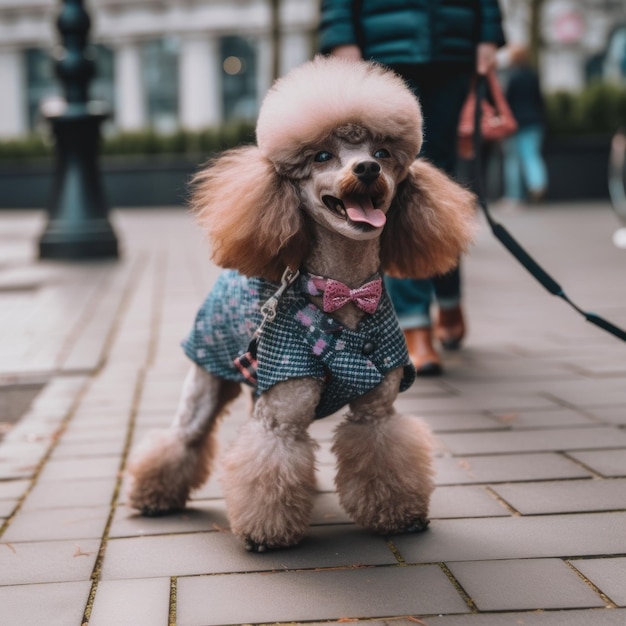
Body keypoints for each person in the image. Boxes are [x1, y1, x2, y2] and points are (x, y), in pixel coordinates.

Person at [319, 0, 506, 376]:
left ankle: (449, 295)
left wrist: (489, 32)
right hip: (382, 51)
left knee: (444, 184)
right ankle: (414, 321)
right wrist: (342, 38)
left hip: (452, 47)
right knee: (399, 184)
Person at [502, 44, 548, 205]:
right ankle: (537, 184)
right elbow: (540, 100)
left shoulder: (513, 78)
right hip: (535, 122)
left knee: (513, 159)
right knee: (532, 155)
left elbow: (507, 102)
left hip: (516, 123)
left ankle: (514, 196)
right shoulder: (533, 76)